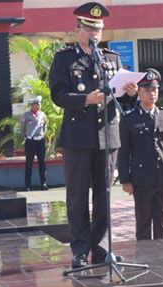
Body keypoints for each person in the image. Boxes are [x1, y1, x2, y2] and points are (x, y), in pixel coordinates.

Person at [49, 2, 138, 268]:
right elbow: (57, 95)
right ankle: (79, 250)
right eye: (89, 28)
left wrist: (131, 93)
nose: (94, 34)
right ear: (77, 29)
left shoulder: (111, 59)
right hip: (77, 139)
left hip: (107, 137)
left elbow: (122, 97)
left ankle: (100, 248)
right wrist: (83, 99)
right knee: (77, 195)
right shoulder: (64, 59)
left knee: (104, 195)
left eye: (98, 29)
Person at [118, 68, 163, 240]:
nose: (151, 93)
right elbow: (124, 152)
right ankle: (144, 260)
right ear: (139, 92)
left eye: (154, 89)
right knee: (143, 223)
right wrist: (125, 180)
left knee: (162, 223)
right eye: (147, 90)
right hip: (141, 180)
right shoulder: (129, 119)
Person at [20, 96, 48, 191]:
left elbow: (45, 125)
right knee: (29, 163)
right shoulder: (26, 115)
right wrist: (26, 137)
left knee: (42, 163)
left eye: (39, 104)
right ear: (32, 105)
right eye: (37, 104)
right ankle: (27, 185)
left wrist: (43, 134)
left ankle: (43, 183)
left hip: (40, 140)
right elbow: (22, 128)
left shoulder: (43, 115)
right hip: (30, 141)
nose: (39, 106)